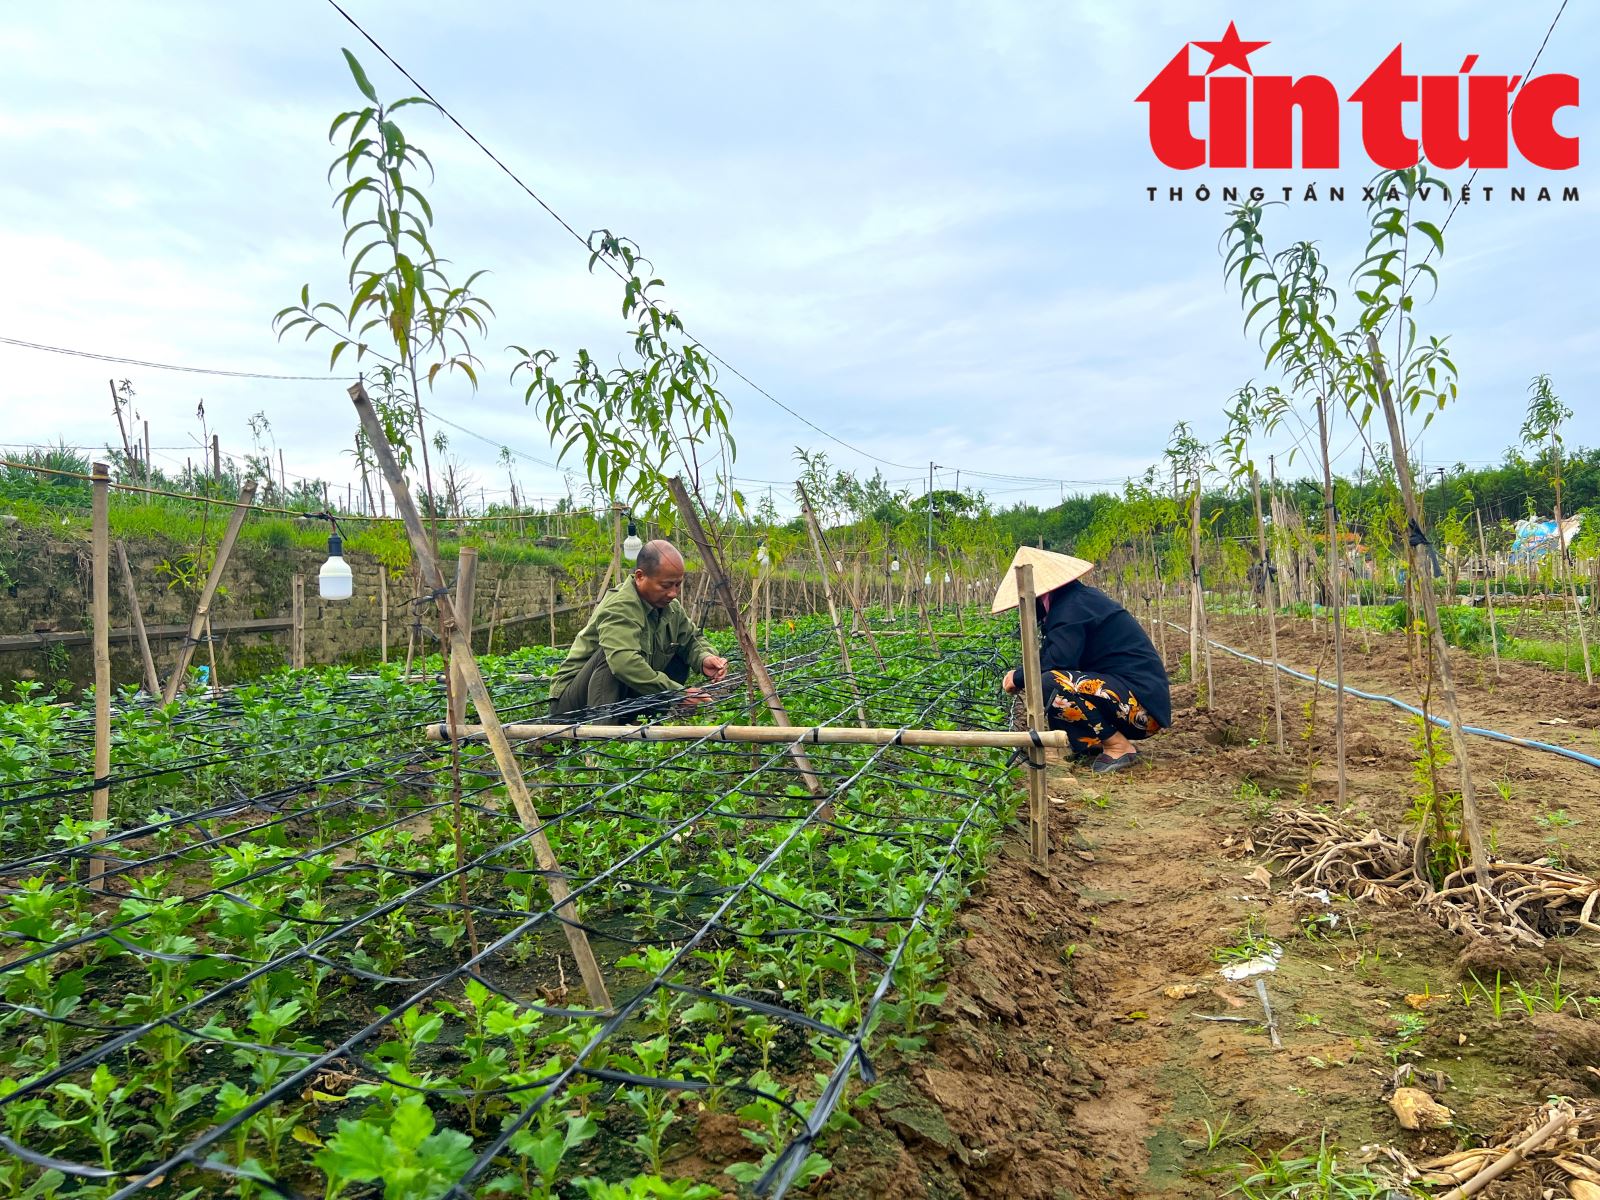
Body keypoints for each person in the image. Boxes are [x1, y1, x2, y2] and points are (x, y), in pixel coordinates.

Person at [993, 547, 1171, 774]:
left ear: (1039, 594)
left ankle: (1119, 746)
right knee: (1055, 680)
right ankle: (1093, 742)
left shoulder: (1071, 608)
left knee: (1052, 682)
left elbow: (1058, 660)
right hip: (1133, 699)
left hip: (1142, 713)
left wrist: (1018, 677)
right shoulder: (1076, 601)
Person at [550, 539, 729, 720]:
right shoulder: (621, 606)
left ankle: (647, 723)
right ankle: (603, 737)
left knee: (678, 656)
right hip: (571, 705)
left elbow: (691, 639)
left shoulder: (670, 607)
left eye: (678, 585)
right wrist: (677, 693)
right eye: (666, 585)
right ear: (640, 576)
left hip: (622, 696)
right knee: (615, 656)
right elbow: (623, 663)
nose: (673, 593)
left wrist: (704, 657)